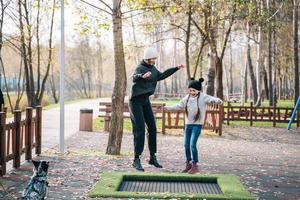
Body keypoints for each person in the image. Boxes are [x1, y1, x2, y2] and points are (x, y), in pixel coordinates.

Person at [129, 47, 184, 171]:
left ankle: (152, 157)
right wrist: (142, 76)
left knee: (153, 128)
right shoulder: (140, 67)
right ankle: (136, 159)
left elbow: (162, 75)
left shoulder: (153, 69)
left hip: (145, 100)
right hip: (136, 101)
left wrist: (176, 68)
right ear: (147, 59)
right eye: (152, 59)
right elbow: (134, 77)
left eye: (155, 59)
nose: (154, 61)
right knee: (140, 130)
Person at [164, 78, 223, 174]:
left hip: (197, 125)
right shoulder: (186, 98)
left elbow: (212, 99)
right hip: (188, 124)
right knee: (186, 145)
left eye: (194, 90)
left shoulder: (203, 97)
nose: (192, 92)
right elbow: (179, 106)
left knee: (192, 144)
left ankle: (195, 165)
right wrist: (167, 108)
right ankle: (189, 163)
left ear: (198, 90)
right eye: (190, 90)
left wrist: (218, 101)